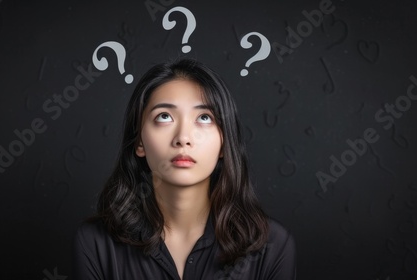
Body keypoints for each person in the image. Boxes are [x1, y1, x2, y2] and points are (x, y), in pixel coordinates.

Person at [73, 58, 296, 279]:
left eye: (204, 118)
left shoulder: (272, 245)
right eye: (164, 116)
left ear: (224, 143)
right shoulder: (96, 242)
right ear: (139, 141)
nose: (183, 138)